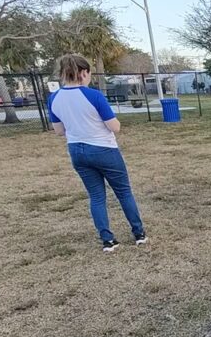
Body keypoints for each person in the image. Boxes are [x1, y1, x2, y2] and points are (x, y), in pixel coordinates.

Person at [47, 54, 147, 252]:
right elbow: (114, 126)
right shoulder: (93, 95)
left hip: (77, 150)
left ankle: (107, 240)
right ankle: (139, 234)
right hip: (104, 149)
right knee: (124, 192)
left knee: (96, 196)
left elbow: (59, 131)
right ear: (83, 73)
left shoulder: (54, 98)